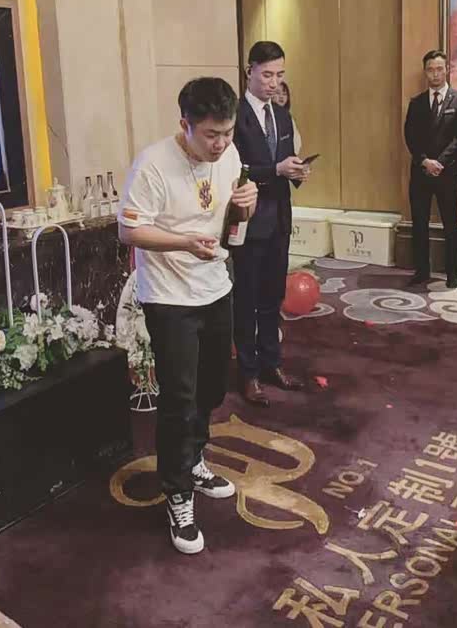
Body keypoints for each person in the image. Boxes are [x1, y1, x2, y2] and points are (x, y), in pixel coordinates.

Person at [118, 77, 258, 555]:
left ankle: (194, 459)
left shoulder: (231, 155)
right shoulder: (153, 164)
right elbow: (129, 231)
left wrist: (248, 206)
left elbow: (232, 220)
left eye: (227, 133)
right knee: (179, 397)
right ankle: (177, 492)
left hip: (216, 286)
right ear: (185, 125)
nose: (221, 144)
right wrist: (182, 243)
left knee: (212, 387)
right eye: (211, 135)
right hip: (169, 296)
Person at [232, 41, 310, 407]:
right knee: (246, 299)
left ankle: (271, 363)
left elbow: (285, 161)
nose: (274, 83)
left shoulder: (281, 115)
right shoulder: (234, 116)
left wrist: (297, 172)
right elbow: (235, 169)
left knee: (272, 297)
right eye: (267, 75)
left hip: (279, 218)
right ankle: (247, 373)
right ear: (249, 71)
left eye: (279, 75)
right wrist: (275, 170)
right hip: (249, 220)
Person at [404, 49, 457, 290]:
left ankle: (453, 273)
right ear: (425, 72)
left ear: (447, 70)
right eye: (430, 70)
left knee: (450, 223)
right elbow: (410, 136)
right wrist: (425, 161)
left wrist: (439, 162)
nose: (435, 74)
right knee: (419, 223)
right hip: (421, 172)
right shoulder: (416, 103)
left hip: (447, 173)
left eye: (439, 69)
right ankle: (422, 271)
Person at [272, 81, 302, 154]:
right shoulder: (269, 116)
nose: (281, 96)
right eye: (278, 93)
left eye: (284, 94)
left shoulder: (288, 116)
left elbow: (296, 141)